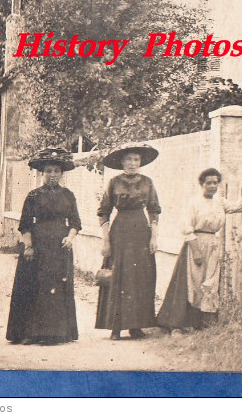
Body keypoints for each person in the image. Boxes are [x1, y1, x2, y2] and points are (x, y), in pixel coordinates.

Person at [157, 170, 242, 332]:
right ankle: (178, 324)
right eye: (209, 183)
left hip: (213, 244)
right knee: (192, 282)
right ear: (202, 184)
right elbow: (186, 226)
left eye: (215, 183)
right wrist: (196, 251)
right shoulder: (194, 202)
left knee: (210, 282)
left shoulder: (220, 202)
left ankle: (203, 323)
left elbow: (238, 207)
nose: (213, 186)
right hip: (196, 243)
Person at [6, 147, 81, 345]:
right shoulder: (33, 196)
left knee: (55, 287)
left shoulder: (68, 196)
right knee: (33, 286)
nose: (52, 175)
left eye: (56, 171)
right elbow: (25, 223)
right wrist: (28, 246)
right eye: (48, 171)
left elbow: (75, 223)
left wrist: (70, 238)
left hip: (60, 247)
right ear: (42, 173)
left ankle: (56, 333)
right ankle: (30, 332)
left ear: (62, 173)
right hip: (38, 246)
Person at [94, 143, 161, 340]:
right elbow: (104, 211)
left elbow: (154, 209)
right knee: (118, 276)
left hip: (141, 232)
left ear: (140, 162)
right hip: (120, 232)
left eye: (136, 160)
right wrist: (105, 240)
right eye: (129, 159)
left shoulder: (148, 182)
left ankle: (136, 326)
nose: (132, 163)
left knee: (140, 277)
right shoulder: (114, 182)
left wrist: (154, 236)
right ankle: (115, 326)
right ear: (122, 162)